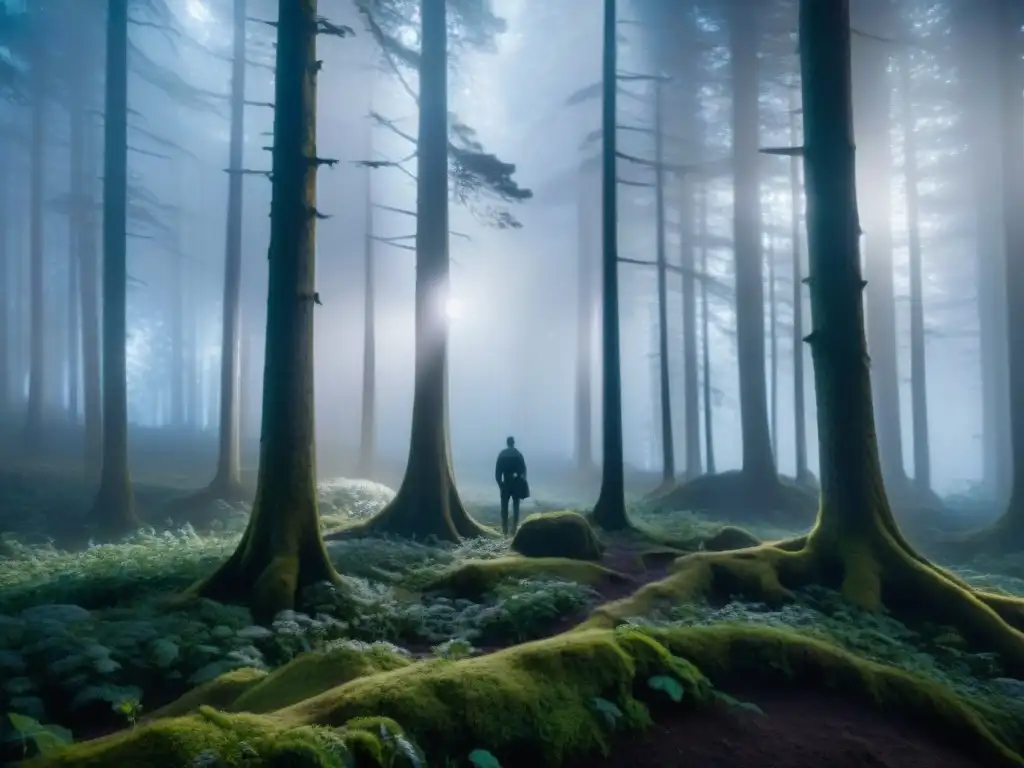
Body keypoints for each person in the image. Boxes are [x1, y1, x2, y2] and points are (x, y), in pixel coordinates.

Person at [495, 436, 529, 536]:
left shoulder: (502, 454)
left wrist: (500, 484)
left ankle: (504, 530)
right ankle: (514, 529)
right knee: (516, 506)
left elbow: (498, 472)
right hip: (516, 483)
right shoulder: (518, 454)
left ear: (507, 443)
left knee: (504, 507)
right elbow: (523, 471)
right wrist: (521, 482)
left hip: (505, 483)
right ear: (513, 443)